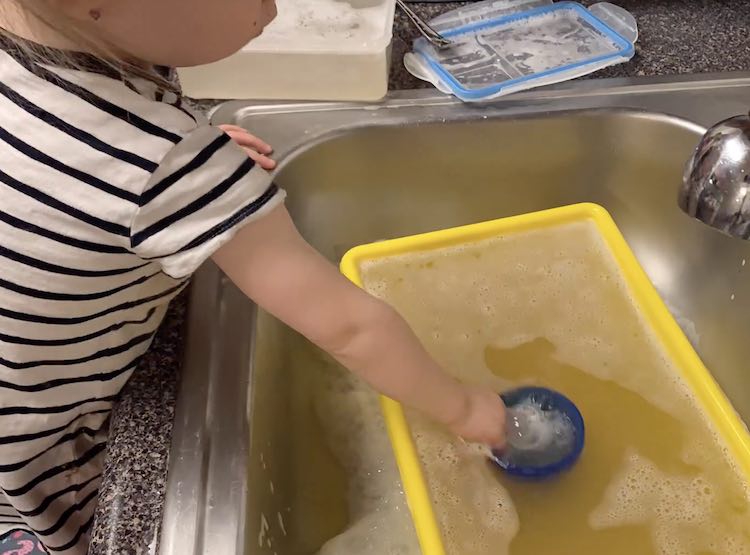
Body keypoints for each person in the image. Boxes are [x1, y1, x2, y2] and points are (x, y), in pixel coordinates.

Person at [0, 0, 507, 552]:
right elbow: (350, 328)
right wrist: (466, 408)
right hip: (39, 434)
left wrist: (189, 148)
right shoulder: (162, 164)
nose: (275, 5)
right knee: (73, 527)